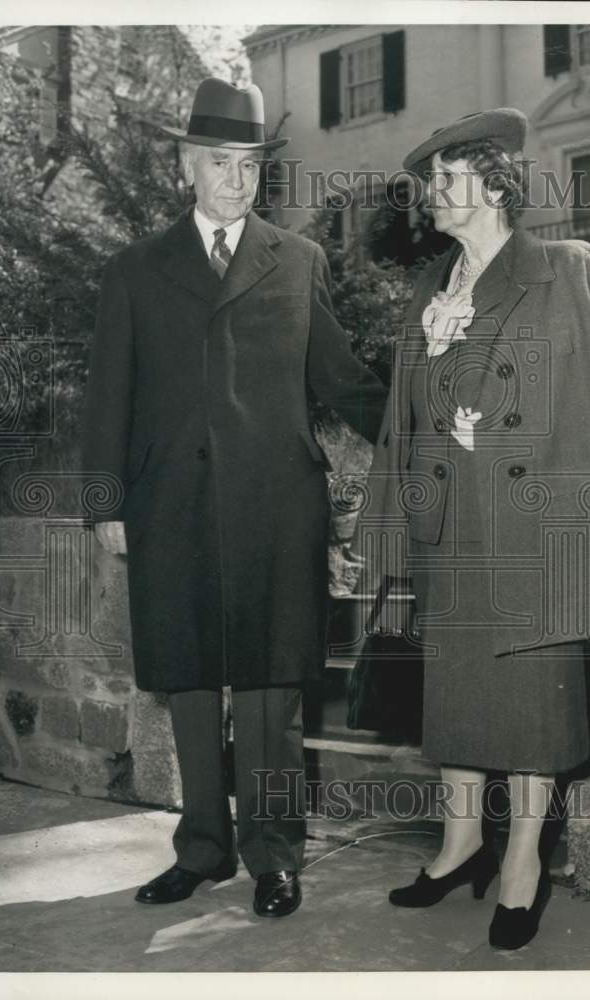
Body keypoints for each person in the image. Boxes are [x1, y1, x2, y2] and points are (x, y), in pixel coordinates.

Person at [357, 108, 590, 949]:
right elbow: (402, 419)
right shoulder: (432, 288)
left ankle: (523, 863)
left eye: (445, 178)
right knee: (458, 701)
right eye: (427, 182)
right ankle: (461, 843)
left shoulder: (567, 269)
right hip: (447, 530)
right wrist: (386, 528)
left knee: (534, 710)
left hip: (533, 534)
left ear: (493, 183)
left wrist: (496, 428)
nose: (429, 194)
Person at [82, 78, 387, 918]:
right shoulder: (135, 270)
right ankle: (203, 848)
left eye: (249, 166)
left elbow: (342, 381)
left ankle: (272, 856)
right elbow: (108, 395)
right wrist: (106, 503)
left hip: (278, 507)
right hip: (168, 507)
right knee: (188, 684)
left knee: (270, 690)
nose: (236, 180)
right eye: (219, 162)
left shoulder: (298, 261)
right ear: (188, 166)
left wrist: (425, 417)